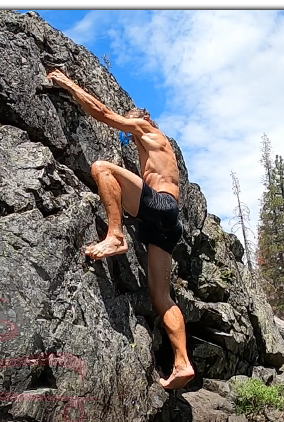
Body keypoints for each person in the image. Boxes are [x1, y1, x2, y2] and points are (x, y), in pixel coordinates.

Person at [46, 69, 195, 391]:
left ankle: (115, 235)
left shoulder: (147, 129)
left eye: (129, 128)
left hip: (161, 206)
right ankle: (182, 363)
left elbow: (103, 114)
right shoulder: (156, 155)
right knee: (161, 296)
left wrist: (69, 83)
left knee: (101, 168)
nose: (127, 135)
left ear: (143, 121)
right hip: (167, 223)